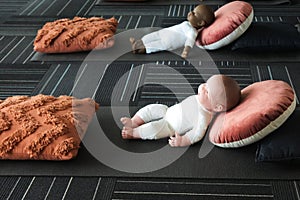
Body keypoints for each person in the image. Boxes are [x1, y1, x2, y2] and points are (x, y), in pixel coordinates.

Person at [120, 74, 241, 147]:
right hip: (168, 111)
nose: (203, 87)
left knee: (153, 128)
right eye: (206, 83)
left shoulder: (204, 117)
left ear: (217, 107)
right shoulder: (201, 99)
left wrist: (183, 141)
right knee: (151, 108)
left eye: (208, 92)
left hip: (171, 126)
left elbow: (196, 134)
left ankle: (134, 133)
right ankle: (134, 121)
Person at [129, 4, 215, 58]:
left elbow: (189, 42)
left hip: (167, 42)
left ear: (200, 23)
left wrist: (186, 51)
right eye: (193, 10)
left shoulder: (192, 32)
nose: (190, 12)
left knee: (154, 46)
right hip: (164, 33)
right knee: (150, 36)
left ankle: (138, 50)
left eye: (194, 13)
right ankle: (138, 42)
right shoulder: (187, 23)